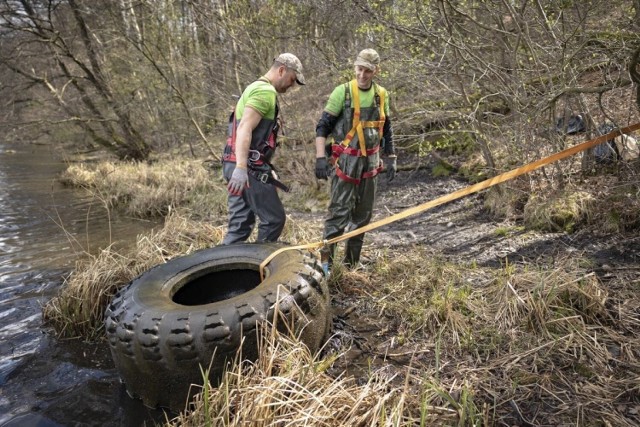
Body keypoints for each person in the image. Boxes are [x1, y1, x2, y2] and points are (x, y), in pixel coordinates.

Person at [314, 48, 397, 271]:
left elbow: (386, 127)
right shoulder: (342, 92)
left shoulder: (382, 95)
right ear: (355, 67)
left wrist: (391, 157)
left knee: (362, 216)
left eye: (368, 71)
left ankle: (351, 266)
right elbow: (322, 127)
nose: (362, 75)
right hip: (346, 163)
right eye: (360, 69)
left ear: (375, 71)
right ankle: (325, 267)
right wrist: (320, 158)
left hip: (371, 163)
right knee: (338, 214)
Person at [221, 53, 305, 245]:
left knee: (239, 226)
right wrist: (242, 168)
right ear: (281, 70)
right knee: (274, 220)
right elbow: (244, 129)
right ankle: (260, 266)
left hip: (232, 163)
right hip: (245, 169)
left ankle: (225, 271)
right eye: (292, 79)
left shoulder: (252, 87)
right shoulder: (265, 92)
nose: (292, 85)